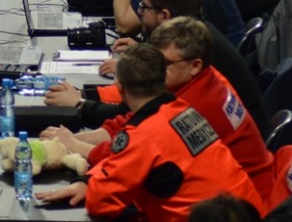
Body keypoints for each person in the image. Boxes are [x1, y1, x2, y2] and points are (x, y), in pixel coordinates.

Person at [43, 16, 275, 201]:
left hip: (240, 206)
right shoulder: (195, 80)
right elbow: (130, 124)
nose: (153, 69)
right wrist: (73, 139)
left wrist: (75, 146)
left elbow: (132, 154)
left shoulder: (196, 102)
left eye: (165, 64)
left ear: (194, 65)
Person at [44, 0, 270, 148]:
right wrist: (82, 110)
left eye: (144, 7)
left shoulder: (193, 95)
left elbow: (137, 146)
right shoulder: (193, 48)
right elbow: (133, 120)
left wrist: (77, 124)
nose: (139, 12)